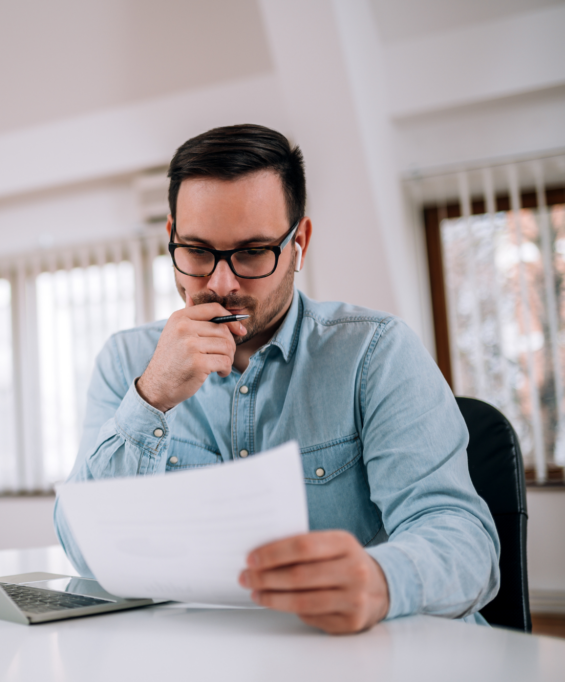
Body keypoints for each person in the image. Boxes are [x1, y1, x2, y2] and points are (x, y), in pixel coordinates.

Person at [53, 124, 499, 635]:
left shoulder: (376, 352)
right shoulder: (127, 361)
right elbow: (84, 553)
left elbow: (467, 544)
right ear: (171, 236)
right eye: (196, 251)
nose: (220, 284)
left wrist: (380, 580)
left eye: (251, 253)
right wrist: (150, 397)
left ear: (298, 244)